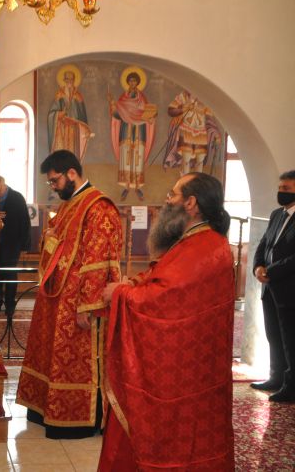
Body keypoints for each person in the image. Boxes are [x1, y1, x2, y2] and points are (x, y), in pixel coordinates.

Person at [98, 172, 235, 470]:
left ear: (191, 203)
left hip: (187, 375)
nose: (166, 200)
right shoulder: (196, 242)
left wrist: (121, 293)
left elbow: (163, 300)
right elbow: (161, 276)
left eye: (173, 194)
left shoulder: (204, 248)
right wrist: (133, 284)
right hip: (191, 369)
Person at [16, 149, 122, 439]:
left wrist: (88, 305)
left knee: (79, 363)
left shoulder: (98, 207)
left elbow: (98, 259)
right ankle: (46, 408)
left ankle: (82, 419)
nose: (53, 187)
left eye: (55, 181)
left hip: (78, 302)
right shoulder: (69, 205)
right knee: (51, 356)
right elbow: (53, 241)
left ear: (72, 174)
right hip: (57, 296)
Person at [251, 170, 295, 402]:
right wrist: (258, 266)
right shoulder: (277, 214)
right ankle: (276, 376)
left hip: (289, 287)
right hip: (269, 287)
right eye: (280, 188)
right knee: (273, 335)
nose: (281, 192)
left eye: (286, 189)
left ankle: (291, 385)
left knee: (290, 339)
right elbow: (264, 243)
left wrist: (272, 271)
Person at [109, 70, 157, 201]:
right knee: (126, 157)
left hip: (139, 132)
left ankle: (138, 187)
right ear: (127, 82)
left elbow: (148, 112)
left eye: (135, 81)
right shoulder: (122, 99)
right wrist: (113, 107)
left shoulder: (142, 99)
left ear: (138, 83)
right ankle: (126, 186)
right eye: (130, 81)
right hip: (126, 132)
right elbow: (117, 115)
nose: (132, 83)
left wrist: (151, 116)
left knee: (138, 157)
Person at [0, 174, 30, 315]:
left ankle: (10, 304)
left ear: (3, 184)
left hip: (12, 243)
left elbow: (25, 222)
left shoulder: (17, 198)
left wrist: (25, 246)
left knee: (10, 274)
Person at [163, 89, 221, 176]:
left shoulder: (204, 98)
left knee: (200, 160)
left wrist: (216, 134)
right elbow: (171, 110)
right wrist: (184, 108)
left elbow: (210, 118)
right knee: (186, 159)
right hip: (186, 131)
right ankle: (185, 183)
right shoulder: (184, 96)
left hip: (201, 133)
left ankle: (197, 185)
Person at [47, 67, 91, 160]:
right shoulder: (59, 95)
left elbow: (83, 116)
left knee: (73, 154)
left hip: (74, 130)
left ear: (74, 80)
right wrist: (59, 114)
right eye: (67, 79)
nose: (69, 82)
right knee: (61, 155)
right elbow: (51, 113)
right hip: (62, 129)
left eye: (71, 79)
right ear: (64, 80)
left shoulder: (78, 96)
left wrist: (85, 129)